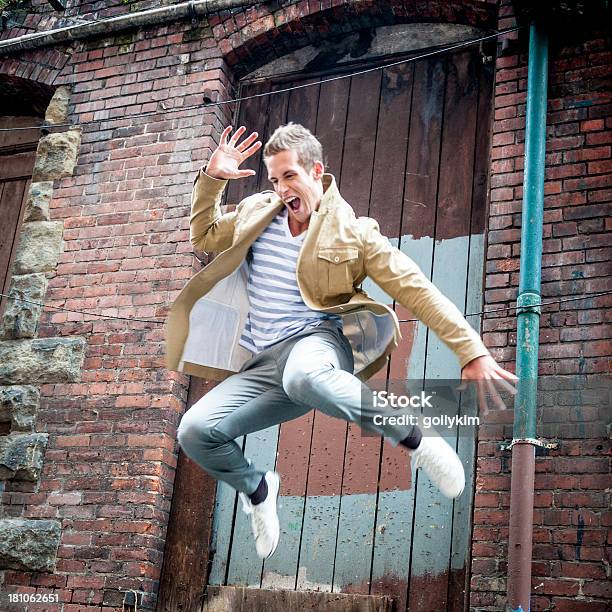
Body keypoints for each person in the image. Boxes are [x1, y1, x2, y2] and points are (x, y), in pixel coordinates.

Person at [166, 123, 518, 560]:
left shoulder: (353, 232)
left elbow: (417, 290)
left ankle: (417, 440)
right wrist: (213, 179)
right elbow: (203, 236)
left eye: (290, 176)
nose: (281, 190)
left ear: (316, 171)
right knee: (196, 431)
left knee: (302, 375)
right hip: (260, 365)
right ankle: (257, 488)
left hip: (317, 345)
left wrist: (471, 350)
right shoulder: (257, 211)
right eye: (274, 180)